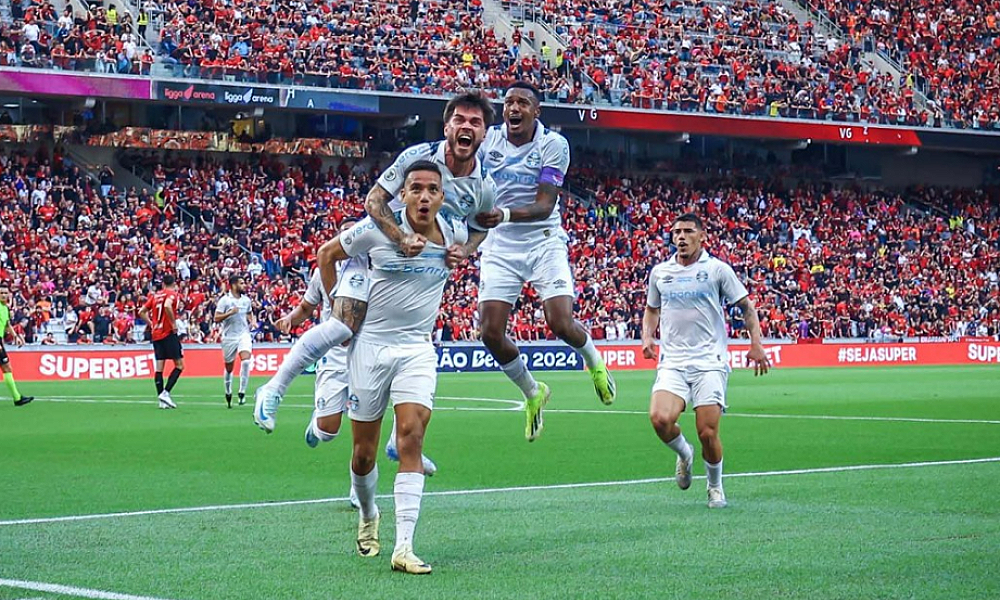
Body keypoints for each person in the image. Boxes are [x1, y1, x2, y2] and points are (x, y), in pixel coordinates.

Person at [255, 91, 496, 461]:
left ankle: (400, 441)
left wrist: (465, 250)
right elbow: (373, 201)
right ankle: (273, 389)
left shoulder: (483, 187)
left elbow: (481, 227)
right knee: (342, 327)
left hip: (417, 274)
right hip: (375, 252)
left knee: (409, 349)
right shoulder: (416, 158)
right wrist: (399, 238)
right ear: (447, 126)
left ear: (484, 133)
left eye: (475, 122)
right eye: (459, 120)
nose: (466, 127)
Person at [315, 160, 462, 574]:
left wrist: (461, 254)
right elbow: (326, 255)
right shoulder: (376, 231)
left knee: (411, 436)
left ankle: (404, 547)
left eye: (432, 189)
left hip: (416, 348)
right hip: (369, 348)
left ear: (442, 197)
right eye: (415, 188)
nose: (424, 196)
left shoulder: (454, 233)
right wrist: (336, 312)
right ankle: (367, 513)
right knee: (363, 456)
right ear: (402, 196)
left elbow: (479, 234)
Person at [475, 81, 616, 441]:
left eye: (523, 102)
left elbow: (544, 205)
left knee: (559, 322)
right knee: (489, 332)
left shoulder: (553, 144)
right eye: (509, 102)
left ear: (536, 111)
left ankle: (595, 362)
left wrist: (503, 214)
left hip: (543, 240)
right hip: (500, 245)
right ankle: (532, 392)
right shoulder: (488, 141)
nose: (514, 108)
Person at [274, 219, 437, 507]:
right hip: (336, 357)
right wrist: (290, 320)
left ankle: (388, 456)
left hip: (369, 351)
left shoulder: (381, 265)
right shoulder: (326, 269)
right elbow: (307, 307)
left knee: (374, 419)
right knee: (328, 430)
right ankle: (317, 425)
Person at [642, 213, 770, 509]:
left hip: (709, 362)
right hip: (672, 361)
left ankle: (714, 487)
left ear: (702, 236)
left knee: (707, 432)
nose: (681, 237)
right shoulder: (660, 272)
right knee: (660, 419)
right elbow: (651, 309)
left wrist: (756, 344)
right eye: (676, 232)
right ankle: (684, 454)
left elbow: (747, 307)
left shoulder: (717, 270)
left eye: (688, 231)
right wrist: (647, 337)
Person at [138, 274, 184, 409]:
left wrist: (152, 324)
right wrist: (173, 323)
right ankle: (166, 393)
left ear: (163, 284)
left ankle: (161, 401)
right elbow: (168, 306)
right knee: (179, 365)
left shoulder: (155, 296)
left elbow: (141, 311)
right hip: (168, 333)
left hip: (156, 334)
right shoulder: (173, 294)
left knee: (159, 367)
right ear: (174, 284)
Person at [214, 274, 255, 408]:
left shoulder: (246, 300)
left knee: (246, 361)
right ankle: (228, 391)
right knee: (229, 368)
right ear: (233, 285)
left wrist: (252, 321)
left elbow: (249, 312)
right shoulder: (224, 301)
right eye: (242, 283)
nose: (244, 285)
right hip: (229, 337)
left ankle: (242, 392)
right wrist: (230, 313)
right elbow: (216, 318)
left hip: (243, 334)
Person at [0, 284, 34, 407]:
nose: (3, 295)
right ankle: (17, 398)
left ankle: (17, 398)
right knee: (6, 367)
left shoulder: (5, 308)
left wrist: (16, 336)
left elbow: (7, 324)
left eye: (5, 293)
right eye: (1, 293)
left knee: (7, 368)